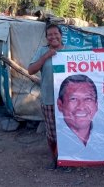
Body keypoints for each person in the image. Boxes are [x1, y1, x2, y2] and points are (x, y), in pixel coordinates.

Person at [28, 24, 65, 170]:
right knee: (52, 133)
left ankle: (68, 159)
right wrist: (46, 56)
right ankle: (55, 158)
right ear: (46, 38)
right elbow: (31, 70)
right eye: (50, 35)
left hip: (69, 101)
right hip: (50, 100)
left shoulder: (71, 51)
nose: (53, 36)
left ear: (61, 35)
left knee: (68, 131)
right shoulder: (43, 51)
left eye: (56, 33)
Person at [57, 74, 98, 146]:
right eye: (73, 99)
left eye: (88, 99)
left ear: (96, 105)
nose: (81, 107)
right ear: (60, 105)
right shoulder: (56, 139)